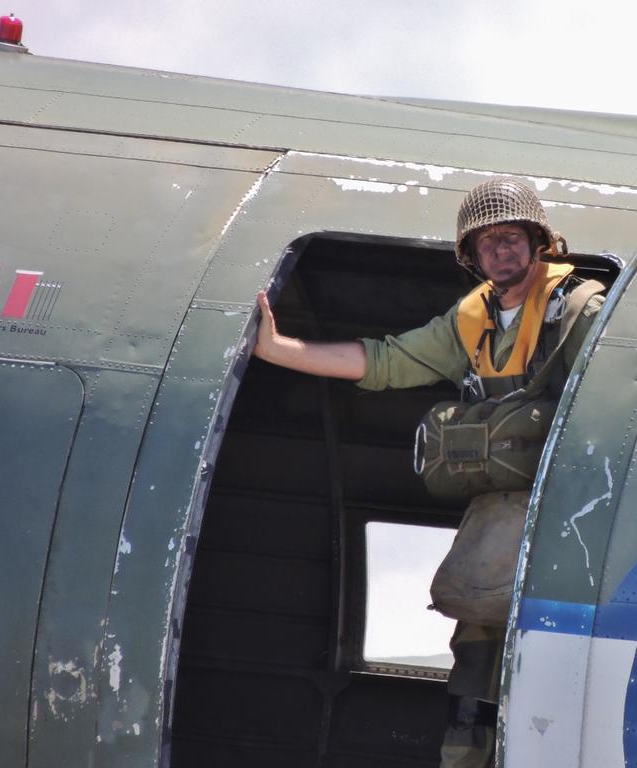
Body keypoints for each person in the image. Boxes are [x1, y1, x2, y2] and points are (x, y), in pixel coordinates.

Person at [254, 176, 603, 768]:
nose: (500, 250)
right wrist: (277, 349)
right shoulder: (470, 322)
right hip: (498, 519)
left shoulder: (577, 310)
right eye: (487, 241)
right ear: (472, 257)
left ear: (538, 243)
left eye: (511, 237)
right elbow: (387, 361)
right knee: (474, 658)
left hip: (571, 520)